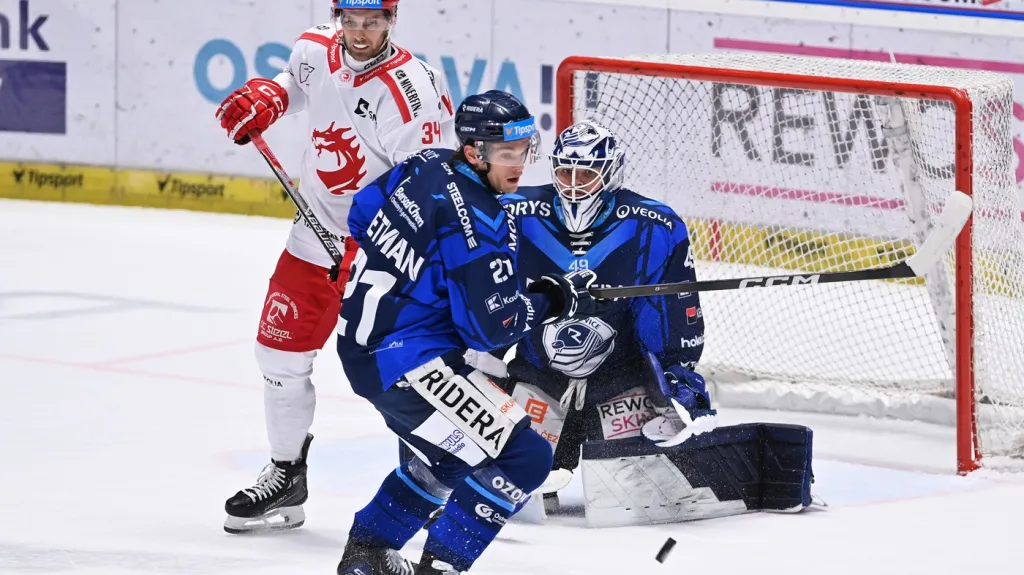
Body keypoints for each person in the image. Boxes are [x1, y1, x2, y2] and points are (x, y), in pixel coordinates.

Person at [334, 91, 605, 575]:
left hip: (362, 351)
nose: (520, 163)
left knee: (454, 456)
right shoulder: (482, 219)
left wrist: (440, 275)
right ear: (476, 153)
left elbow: (361, 215)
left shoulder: (424, 164)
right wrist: (550, 299)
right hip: (411, 362)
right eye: (507, 153)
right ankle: (441, 566)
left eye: (524, 149)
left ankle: (367, 555)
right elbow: (491, 330)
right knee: (525, 455)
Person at [215, 0, 457, 534]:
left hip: (387, 254)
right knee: (277, 356)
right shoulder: (315, 45)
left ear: (392, 22)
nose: (360, 32)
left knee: (404, 369)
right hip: (313, 240)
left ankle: (434, 482)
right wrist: (269, 99)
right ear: (337, 16)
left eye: (373, 22)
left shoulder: (409, 93)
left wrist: (372, 246)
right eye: (351, 20)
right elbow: (293, 83)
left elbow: (430, 186)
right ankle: (286, 474)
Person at [499, 120, 718, 500]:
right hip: (537, 378)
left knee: (637, 489)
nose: (573, 182)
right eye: (565, 170)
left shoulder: (655, 225)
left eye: (585, 172)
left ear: (611, 171)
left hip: (620, 387)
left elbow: (670, 314)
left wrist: (677, 373)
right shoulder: (514, 214)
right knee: (506, 476)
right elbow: (487, 296)